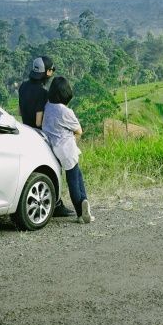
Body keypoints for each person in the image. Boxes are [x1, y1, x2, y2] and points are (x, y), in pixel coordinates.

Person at [18, 56, 76, 218]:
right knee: (53, 167)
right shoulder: (42, 93)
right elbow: (38, 120)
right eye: (51, 70)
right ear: (47, 72)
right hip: (39, 135)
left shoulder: (23, 87)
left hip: (26, 131)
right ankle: (56, 204)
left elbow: (20, 111)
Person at [41, 77, 93, 224]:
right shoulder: (65, 111)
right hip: (67, 148)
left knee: (77, 175)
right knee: (74, 181)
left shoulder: (48, 106)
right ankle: (81, 211)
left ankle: (84, 203)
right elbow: (79, 131)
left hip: (53, 148)